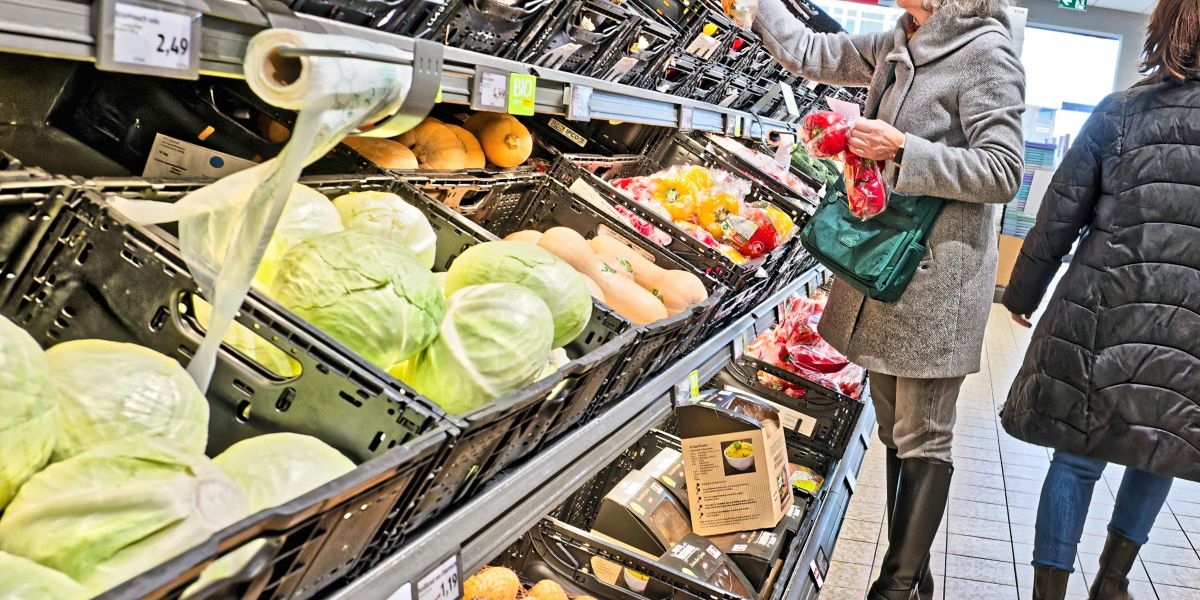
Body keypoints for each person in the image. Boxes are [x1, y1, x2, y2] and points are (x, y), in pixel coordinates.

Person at [737, 0, 1025, 598]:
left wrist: (902, 150)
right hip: (884, 267)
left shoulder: (986, 53)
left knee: (925, 434)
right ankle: (915, 577)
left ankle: (894, 586)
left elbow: (1002, 171)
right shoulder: (899, 38)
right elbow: (813, 53)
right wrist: (757, 7)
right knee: (896, 429)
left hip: (938, 278)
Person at [1000, 0, 1200, 597]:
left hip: (1101, 315)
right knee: (1160, 450)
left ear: (1163, 29)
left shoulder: (1121, 112)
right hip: (1191, 332)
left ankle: (1049, 592)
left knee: (1077, 457)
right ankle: (1112, 582)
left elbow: (1059, 213)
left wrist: (1023, 292)